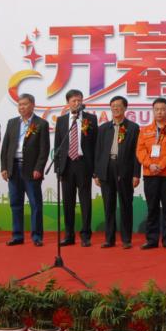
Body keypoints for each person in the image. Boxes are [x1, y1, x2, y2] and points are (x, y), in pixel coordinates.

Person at [0, 93, 50, 247]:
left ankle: (37, 236)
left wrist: (39, 168)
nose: (21, 107)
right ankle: (17, 236)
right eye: (20, 104)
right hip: (13, 168)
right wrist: (4, 167)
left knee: (35, 204)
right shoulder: (12, 123)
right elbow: (5, 147)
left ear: (32, 105)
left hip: (31, 169)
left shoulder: (41, 123)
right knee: (15, 203)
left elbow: (44, 149)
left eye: (25, 104)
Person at [93, 96, 141, 249]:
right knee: (108, 205)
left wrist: (136, 174)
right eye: (113, 105)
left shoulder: (133, 128)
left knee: (126, 204)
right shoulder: (103, 128)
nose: (115, 108)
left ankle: (126, 239)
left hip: (125, 171)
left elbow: (137, 153)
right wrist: (96, 173)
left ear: (125, 108)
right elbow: (98, 152)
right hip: (106, 169)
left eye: (119, 105)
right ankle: (109, 239)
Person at [137, 98, 166, 250]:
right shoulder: (145, 130)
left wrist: (160, 166)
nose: (159, 112)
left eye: (163, 109)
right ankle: (151, 239)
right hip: (150, 173)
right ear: (153, 111)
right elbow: (140, 151)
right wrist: (150, 165)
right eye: (156, 109)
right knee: (152, 208)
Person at [52, 89, 98, 246]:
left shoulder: (91, 119)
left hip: (84, 164)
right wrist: (57, 168)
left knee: (85, 201)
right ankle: (69, 235)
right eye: (74, 101)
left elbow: (95, 145)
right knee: (68, 202)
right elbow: (57, 146)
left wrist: (95, 169)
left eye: (79, 100)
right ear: (68, 103)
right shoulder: (61, 120)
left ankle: (85, 235)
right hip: (67, 165)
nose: (77, 103)